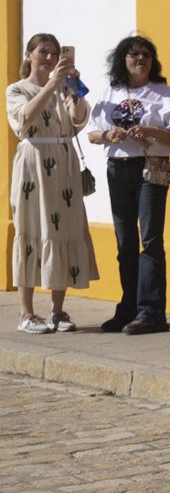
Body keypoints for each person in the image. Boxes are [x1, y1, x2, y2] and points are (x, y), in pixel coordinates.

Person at [87, 35, 170, 335]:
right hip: (118, 168)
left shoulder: (162, 92)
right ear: (122, 60)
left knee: (151, 241)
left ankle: (152, 313)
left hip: (150, 167)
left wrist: (152, 131)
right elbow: (93, 133)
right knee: (124, 242)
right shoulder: (111, 91)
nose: (140, 59)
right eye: (133, 55)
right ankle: (128, 308)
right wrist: (109, 135)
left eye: (145, 55)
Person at [7, 34, 98, 332]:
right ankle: (26, 314)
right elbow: (25, 119)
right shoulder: (16, 89)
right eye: (43, 52)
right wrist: (50, 85)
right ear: (28, 55)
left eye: (55, 53)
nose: (49, 58)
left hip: (63, 164)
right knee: (31, 229)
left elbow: (79, 120)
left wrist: (74, 91)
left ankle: (57, 311)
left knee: (65, 230)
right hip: (33, 163)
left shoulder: (63, 87)